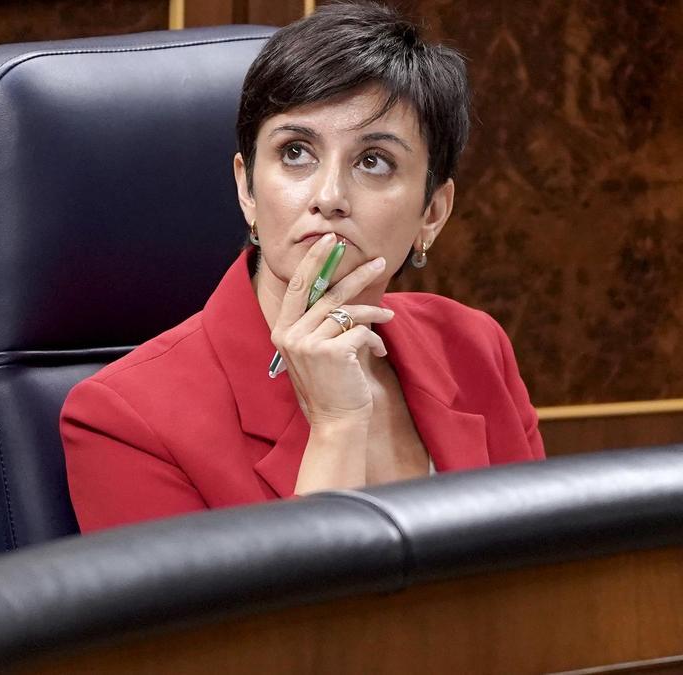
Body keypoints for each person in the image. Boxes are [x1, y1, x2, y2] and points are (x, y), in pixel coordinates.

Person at [60, 1, 545, 533]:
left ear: (431, 213)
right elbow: (274, 621)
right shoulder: (122, 418)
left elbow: (546, 580)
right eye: (295, 153)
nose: (329, 196)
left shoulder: (474, 347)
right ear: (247, 188)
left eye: (373, 161)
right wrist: (337, 426)